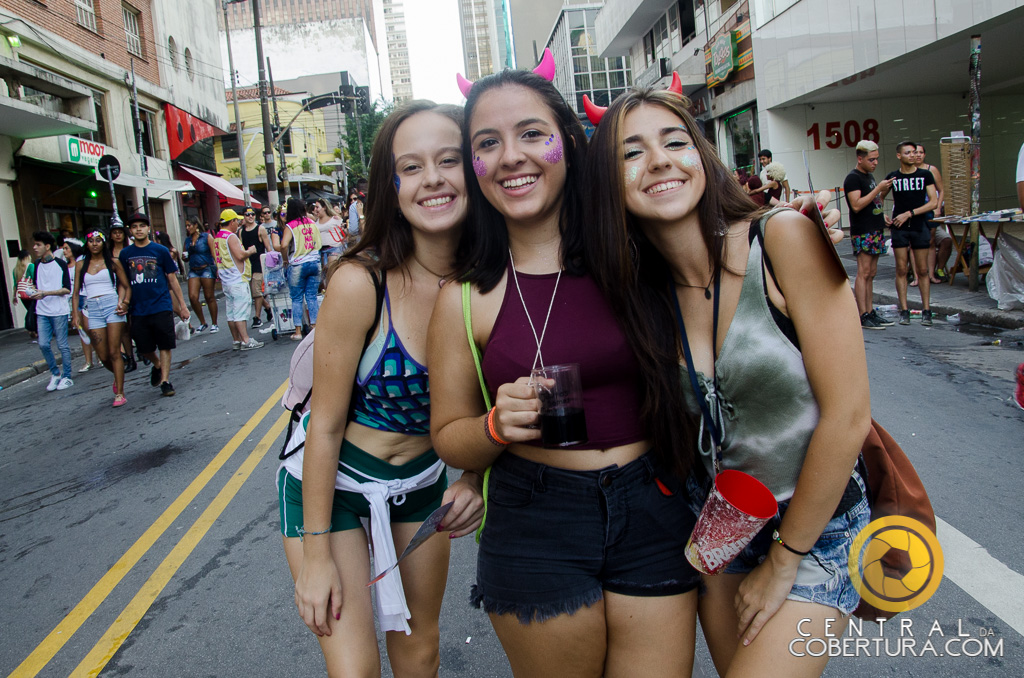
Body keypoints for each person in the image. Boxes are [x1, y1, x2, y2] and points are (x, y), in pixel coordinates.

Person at [585, 86, 871, 678]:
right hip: (718, 526)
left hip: (817, 529)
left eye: (674, 141)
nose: (659, 160)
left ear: (703, 157)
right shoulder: (641, 295)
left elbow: (848, 417)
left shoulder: (783, 239)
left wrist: (785, 559)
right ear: (609, 186)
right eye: (630, 153)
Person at [428, 66, 700, 677]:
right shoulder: (465, 297)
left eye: (532, 133)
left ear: (569, 144)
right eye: (487, 143)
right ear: (473, 164)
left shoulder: (638, 253)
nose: (512, 157)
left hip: (654, 504)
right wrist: (498, 425)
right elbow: (448, 433)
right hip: (534, 521)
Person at [287, 100, 484, 676]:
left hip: (422, 485)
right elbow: (322, 425)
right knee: (356, 670)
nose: (434, 180)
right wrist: (317, 552)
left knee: (420, 650)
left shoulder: (493, 282)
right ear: (390, 185)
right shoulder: (359, 282)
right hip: (331, 490)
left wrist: (474, 478)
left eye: (449, 160)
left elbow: (498, 409)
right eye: (412, 166)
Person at [118, 212, 190, 397]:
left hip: (161, 304)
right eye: (134, 227)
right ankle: (157, 364)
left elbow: (172, 279)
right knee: (144, 347)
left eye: (142, 226)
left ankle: (165, 381)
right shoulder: (125, 254)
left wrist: (182, 305)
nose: (138, 229)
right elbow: (124, 283)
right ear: (131, 231)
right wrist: (123, 303)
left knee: (165, 344)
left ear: (148, 228)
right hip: (138, 308)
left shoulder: (160, 251)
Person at [72, 231, 131, 406]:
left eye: (98, 241)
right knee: (103, 355)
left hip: (111, 305)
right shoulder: (81, 265)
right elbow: (75, 293)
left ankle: (120, 393)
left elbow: (126, 286)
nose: (95, 244)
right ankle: (117, 373)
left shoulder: (113, 262)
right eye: (91, 241)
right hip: (93, 308)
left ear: (103, 243)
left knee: (114, 352)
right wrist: (75, 315)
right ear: (87, 244)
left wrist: (125, 303)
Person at [885, 141, 938, 326]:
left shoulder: (925, 175)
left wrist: (910, 213)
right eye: (908, 152)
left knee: (923, 270)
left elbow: (933, 202)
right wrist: (882, 215)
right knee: (901, 269)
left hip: (919, 225)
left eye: (914, 152)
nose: (912, 155)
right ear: (899, 156)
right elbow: (878, 197)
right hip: (899, 228)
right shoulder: (893, 177)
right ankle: (904, 310)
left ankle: (926, 309)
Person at [843, 140, 894, 330]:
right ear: (860, 158)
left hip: (875, 227)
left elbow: (872, 201)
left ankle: (870, 311)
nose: (875, 163)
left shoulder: (869, 177)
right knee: (864, 272)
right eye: (871, 160)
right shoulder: (853, 178)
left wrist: (882, 198)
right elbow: (856, 205)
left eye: (876, 159)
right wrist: (877, 190)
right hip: (863, 230)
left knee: (871, 273)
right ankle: (862, 313)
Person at [210, 210, 264, 351]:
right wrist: (251, 251)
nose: (239, 223)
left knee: (232, 313)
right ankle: (246, 340)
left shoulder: (218, 237)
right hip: (236, 278)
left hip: (226, 279)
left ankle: (236, 340)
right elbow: (240, 255)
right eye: (237, 221)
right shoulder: (230, 237)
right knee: (240, 312)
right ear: (232, 221)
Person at [31, 231, 74, 391]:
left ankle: (67, 376)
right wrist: (33, 291)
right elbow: (37, 284)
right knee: (43, 344)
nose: (35, 247)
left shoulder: (60, 264)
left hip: (58, 310)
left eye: (38, 244)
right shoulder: (36, 264)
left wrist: (45, 293)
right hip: (41, 310)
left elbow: (66, 289)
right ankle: (55, 374)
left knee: (62, 345)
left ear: (47, 246)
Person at [278, 197, 323, 341]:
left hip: (298, 263)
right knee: (311, 296)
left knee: (297, 298)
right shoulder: (311, 223)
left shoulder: (290, 226)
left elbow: (284, 245)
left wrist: (285, 259)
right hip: (315, 262)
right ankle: (314, 327)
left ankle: (297, 331)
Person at [911, 143, 947, 285]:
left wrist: (938, 207)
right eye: (915, 152)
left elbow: (941, 190)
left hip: (929, 210)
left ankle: (931, 274)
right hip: (913, 212)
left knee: (931, 241)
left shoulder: (931, 170)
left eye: (921, 152)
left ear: (924, 154)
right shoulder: (908, 170)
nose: (918, 155)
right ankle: (916, 276)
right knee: (913, 244)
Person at [61, 238, 95, 372]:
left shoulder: (83, 262)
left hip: (86, 296)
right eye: (63, 249)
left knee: (91, 328)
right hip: (73, 299)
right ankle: (88, 361)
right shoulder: (65, 266)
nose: (64, 251)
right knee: (81, 330)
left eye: (66, 248)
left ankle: (101, 356)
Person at [108, 222, 137, 372]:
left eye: (120, 232)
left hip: (134, 286)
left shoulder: (130, 249)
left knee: (136, 322)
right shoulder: (108, 252)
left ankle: (143, 348)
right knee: (124, 326)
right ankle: (130, 357)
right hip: (115, 289)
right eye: (115, 232)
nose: (118, 235)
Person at [239, 206, 274, 328]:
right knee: (253, 292)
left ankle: (257, 317)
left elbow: (268, 247)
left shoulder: (261, 229)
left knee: (256, 291)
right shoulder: (241, 231)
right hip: (247, 265)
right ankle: (268, 307)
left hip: (259, 263)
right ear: (243, 216)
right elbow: (240, 249)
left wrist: (270, 264)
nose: (250, 216)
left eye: (252, 214)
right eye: (247, 214)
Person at [183, 217, 219, 333]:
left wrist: (219, 268)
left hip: (206, 267)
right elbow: (185, 257)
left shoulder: (206, 237)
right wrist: (184, 257)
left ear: (196, 225)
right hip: (194, 269)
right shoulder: (187, 240)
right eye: (186, 226)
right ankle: (202, 322)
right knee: (193, 297)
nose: (187, 228)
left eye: (189, 225)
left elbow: (214, 253)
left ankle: (214, 323)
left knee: (209, 296)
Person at [313, 198, 346, 268]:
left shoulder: (335, 219)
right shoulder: (316, 222)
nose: (315, 209)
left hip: (335, 249)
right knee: (325, 276)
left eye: (317, 207)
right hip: (321, 252)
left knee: (333, 272)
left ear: (324, 207)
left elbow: (344, 231)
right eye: (315, 207)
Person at [12, 249, 38, 340]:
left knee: (30, 310)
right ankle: (31, 328)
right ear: (27, 257)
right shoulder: (30, 266)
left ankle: (33, 329)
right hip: (30, 293)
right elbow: (35, 279)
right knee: (34, 311)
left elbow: (16, 284)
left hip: (22, 295)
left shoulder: (16, 270)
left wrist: (14, 296)